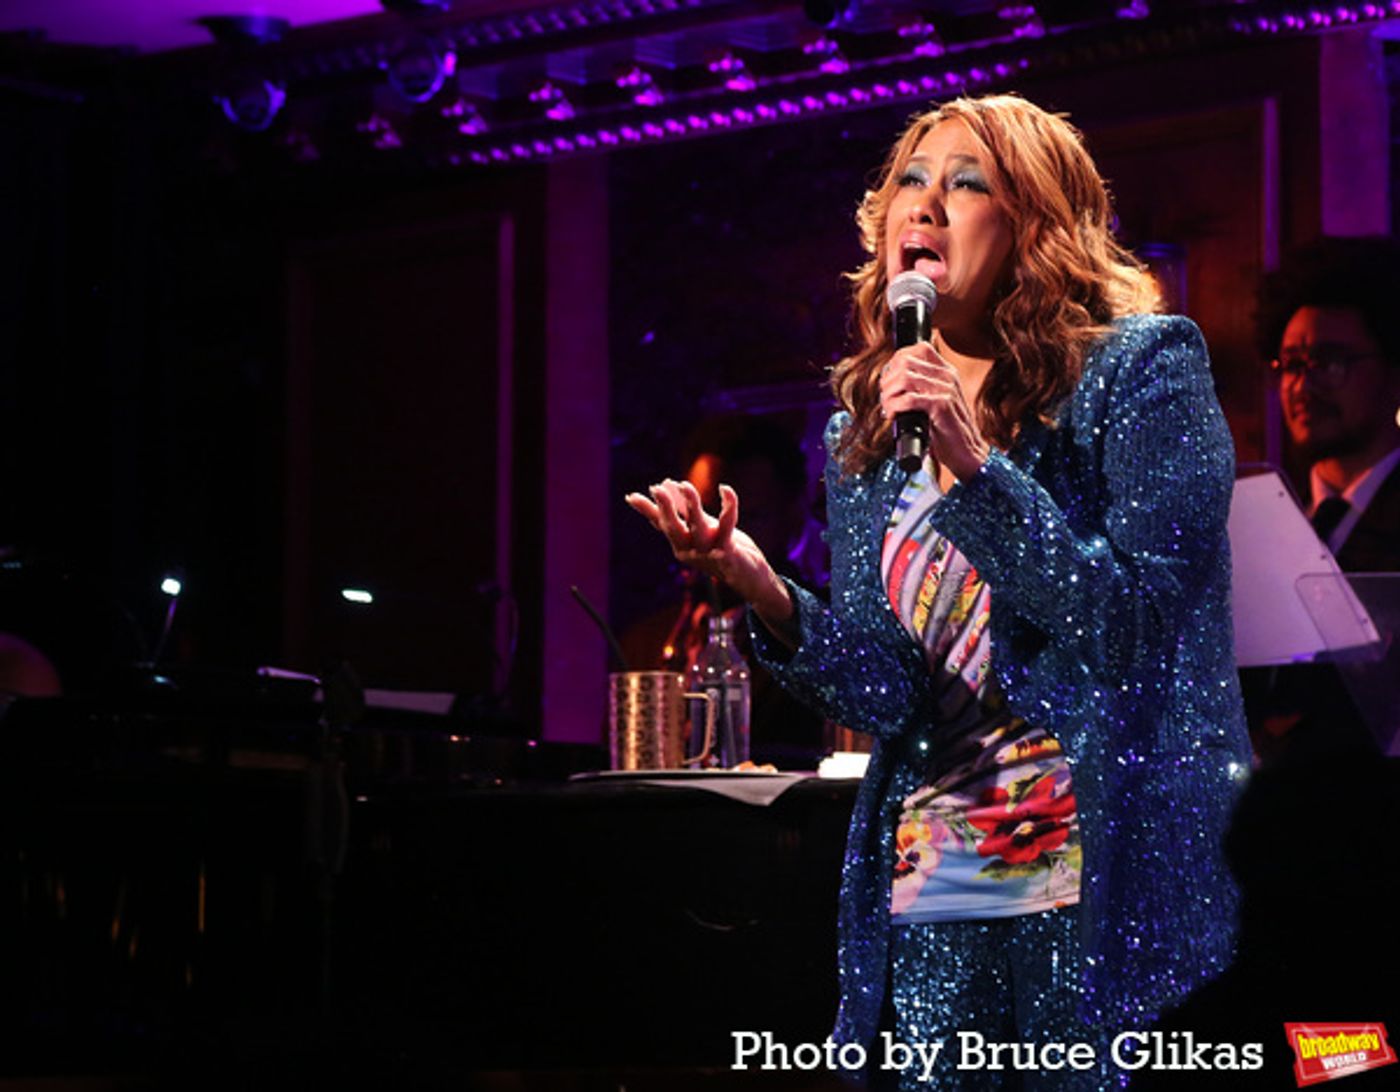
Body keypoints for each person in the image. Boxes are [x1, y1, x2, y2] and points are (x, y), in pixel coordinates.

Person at [627, 94, 1250, 1088]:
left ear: (1033, 224)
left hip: (1098, 885)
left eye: (965, 184)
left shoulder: (1137, 374)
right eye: (908, 183)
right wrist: (762, 585)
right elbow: (888, 694)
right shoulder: (866, 433)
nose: (922, 205)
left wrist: (976, 467)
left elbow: (1133, 628)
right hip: (928, 891)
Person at [1245, 237, 1400, 762]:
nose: (1303, 385)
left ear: (1393, 372)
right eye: (1291, 363)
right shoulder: (1265, 523)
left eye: (1331, 361)